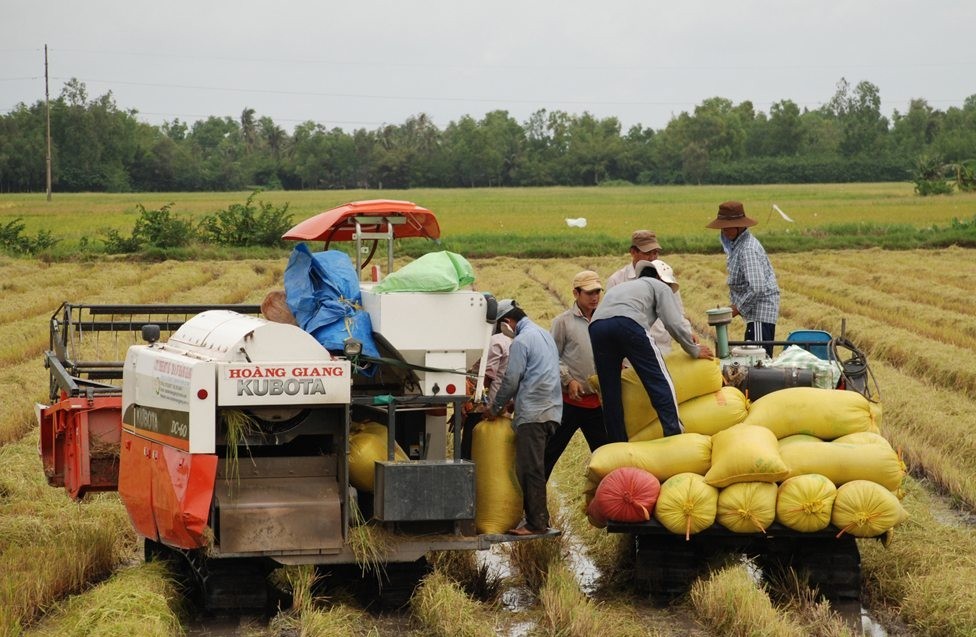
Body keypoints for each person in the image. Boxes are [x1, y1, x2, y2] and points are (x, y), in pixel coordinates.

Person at [589, 260, 714, 443]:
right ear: (659, 277)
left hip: (597, 328)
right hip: (628, 323)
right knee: (659, 380)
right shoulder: (658, 286)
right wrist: (693, 349)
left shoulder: (623, 288)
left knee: (610, 393)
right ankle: (674, 434)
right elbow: (673, 323)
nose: (669, 290)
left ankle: (618, 443)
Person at [487, 302, 562, 536]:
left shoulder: (520, 341)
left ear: (507, 323)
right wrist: (514, 402)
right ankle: (538, 519)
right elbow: (539, 373)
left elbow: (511, 378)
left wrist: (495, 407)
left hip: (534, 413)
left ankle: (535, 523)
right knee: (535, 465)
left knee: (530, 468)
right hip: (551, 410)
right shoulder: (544, 334)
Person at [546, 271, 609, 479]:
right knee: (549, 454)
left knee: (606, 457)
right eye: (589, 292)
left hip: (597, 404)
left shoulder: (606, 318)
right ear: (576, 293)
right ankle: (532, 506)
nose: (594, 297)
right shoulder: (563, 322)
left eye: (597, 292)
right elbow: (552, 356)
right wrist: (569, 379)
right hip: (568, 403)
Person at [705, 201, 780, 357]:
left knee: (758, 360)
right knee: (753, 358)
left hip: (760, 314)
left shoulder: (747, 249)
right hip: (754, 315)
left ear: (739, 226)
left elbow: (757, 287)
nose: (724, 231)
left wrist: (736, 308)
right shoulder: (738, 246)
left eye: (727, 227)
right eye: (722, 228)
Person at [606, 230, 695, 354]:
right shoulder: (617, 280)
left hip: (662, 347)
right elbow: (611, 321)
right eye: (647, 253)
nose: (652, 258)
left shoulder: (667, 278)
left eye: (655, 253)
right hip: (631, 351)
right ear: (633, 252)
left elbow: (678, 313)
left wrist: (689, 336)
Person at [458, 301, 514, 460]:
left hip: (481, 407)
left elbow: (487, 377)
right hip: (500, 404)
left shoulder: (495, 341)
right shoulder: (510, 340)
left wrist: (468, 403)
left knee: (471, 448)